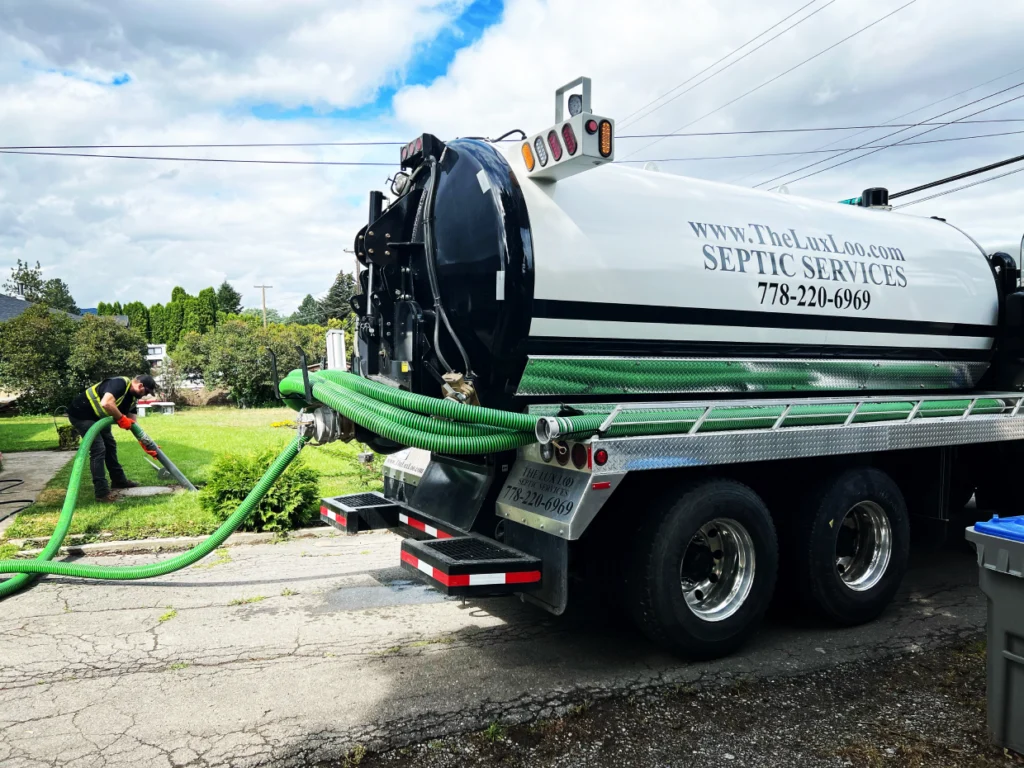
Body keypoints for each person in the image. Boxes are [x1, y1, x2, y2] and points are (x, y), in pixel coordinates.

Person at [67, 374, 157, 503]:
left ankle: (119, 481)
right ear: (140, 385)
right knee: (98, 449)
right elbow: (106, 403)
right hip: (81, 415)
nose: (145, 395)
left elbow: (133, 424)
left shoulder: (132, 398)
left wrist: (144, 442)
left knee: (110, 445)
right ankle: (102, 493)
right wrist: (121, 418)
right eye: (146, 392)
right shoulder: (120, 383)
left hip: (98, 418)